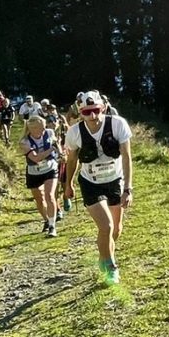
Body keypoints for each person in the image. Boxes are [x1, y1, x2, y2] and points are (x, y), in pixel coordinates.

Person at [63, 90, 133, 284]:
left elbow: (127, 157)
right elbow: (71, 160)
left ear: (103, 108)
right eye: (87, 112)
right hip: (90, 183)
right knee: (106, 225)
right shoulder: (74, 132)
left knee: (115, 230)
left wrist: (128, 188)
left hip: (115, 181)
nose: (92, 116)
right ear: (81, 112)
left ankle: (103, 255)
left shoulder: (118, 124)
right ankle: (110, 266)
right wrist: (67, 184)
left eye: (96, 110)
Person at [20, 110, 62, 236]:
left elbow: (56, 143)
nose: (44, 131)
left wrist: (60, 152)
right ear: (33, 129)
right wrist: (51, 150)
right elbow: (36, 158)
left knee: (50, 196)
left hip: (50, 168)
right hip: (34, 172)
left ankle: (52, 226)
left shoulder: (49, 132)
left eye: (45, 128)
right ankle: (46, 219)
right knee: (39, 199)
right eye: (42, 128)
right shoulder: (24, 142)